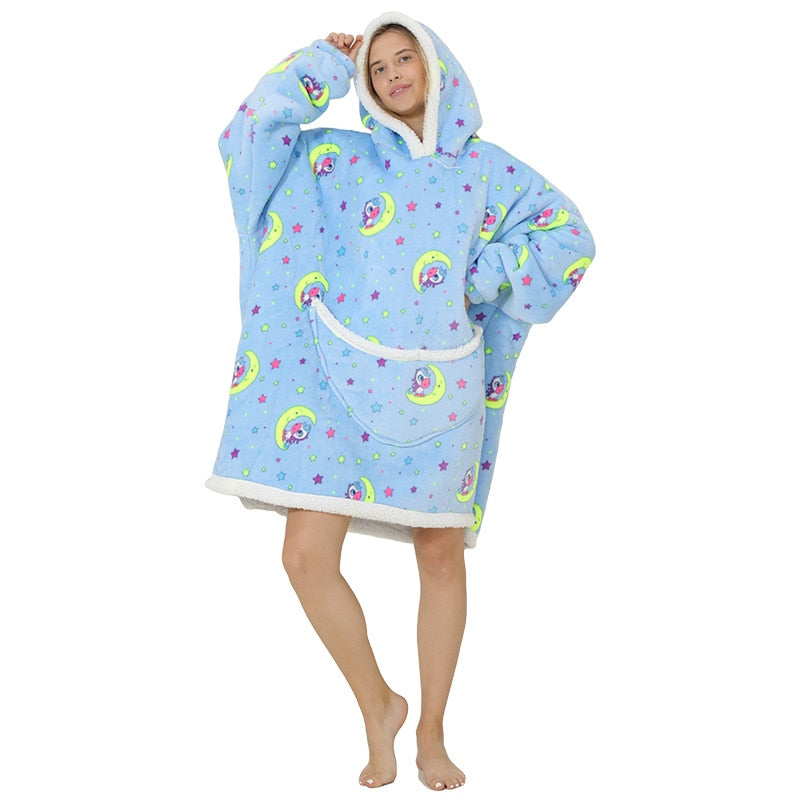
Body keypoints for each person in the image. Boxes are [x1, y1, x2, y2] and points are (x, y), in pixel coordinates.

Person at [206, 11, 595, 790]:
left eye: (402, 58)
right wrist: (318, 67)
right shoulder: (335, 160)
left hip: (441, 396)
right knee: (304, 557)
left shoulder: (488, 170)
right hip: (332, 389)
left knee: (439, 556)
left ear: (435, 64)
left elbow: (569, 236)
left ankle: (433, 732)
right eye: (376, 67)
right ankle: (378, 705)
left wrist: (483, 276)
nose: (391, 76)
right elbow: (246, 142)